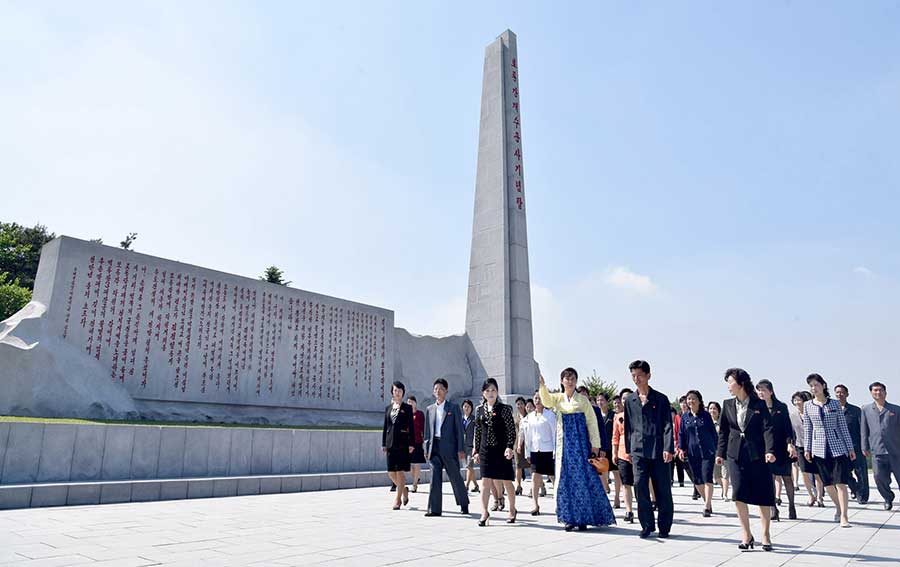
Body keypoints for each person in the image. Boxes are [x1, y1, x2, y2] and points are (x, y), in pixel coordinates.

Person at [540, 368, 616, 531]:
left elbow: (592, 423)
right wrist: (542, 386)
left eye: (572, 378)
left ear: (576, 381)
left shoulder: (582, 400)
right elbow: (546, 401)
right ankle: (569, 518)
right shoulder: (558, 399)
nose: (569, 381)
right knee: (565, 481)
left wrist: (595, 444)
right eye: (566, 378)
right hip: (564, 447)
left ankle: (583, 518)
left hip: (581, 446)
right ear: (561, 381)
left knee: (583, 480)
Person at [716, 368, 776, 551]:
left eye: (730, 382)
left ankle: (765, 535)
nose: (728, 386)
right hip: (735, 455)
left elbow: (768, 428)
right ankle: (746, 534)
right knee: (738, 493)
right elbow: (724, 432)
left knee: (763, 494)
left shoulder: (759, 404)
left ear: (741, 383)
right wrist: (720, 453)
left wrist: (770, 450)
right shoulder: (726, 405)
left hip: (758, 455)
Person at [623, 360, 674, 539]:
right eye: (633, 375)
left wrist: (669, 448)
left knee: (663, 489)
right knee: (640, 486)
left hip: (659, 451)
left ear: (648, 376)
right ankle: (646, 525)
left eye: (639, 375)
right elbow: (628, 426)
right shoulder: (630, 400)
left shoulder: (661, 399)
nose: (636, 379)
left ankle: (664, 526)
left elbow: (668, 425)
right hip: (638, 451)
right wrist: (628, 449)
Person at [803, 373, 855, 527]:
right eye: (811, 386)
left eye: (816, 385)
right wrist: (807, 448)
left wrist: (850, 447)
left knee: (841, 483)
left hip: (838, 448)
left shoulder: (834, 404)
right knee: (828, 484)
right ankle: (838, 508)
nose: (814, 388)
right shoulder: (808, 405)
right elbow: (808, 428)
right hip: (819, 449)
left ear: (823, 386)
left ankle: (844, 516)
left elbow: (843, 427)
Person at [473, 378, 517, 526]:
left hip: (502, 450)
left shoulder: (504, 409)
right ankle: (484, 512)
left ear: (497, 391)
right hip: (486, 451)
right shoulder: (479, 410)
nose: (490, 393)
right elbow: (478, 432)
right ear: (483, 393)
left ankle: (512, 509)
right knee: (485, 482)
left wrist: (510, 446)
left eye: (493, 390)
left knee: (506, 481)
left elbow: (511, 430)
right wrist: (476, 450)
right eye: (487, 390)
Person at [423, 377, 470, 517]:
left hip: (449, 449)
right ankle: (434, 509)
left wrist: (461, 449)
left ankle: (464, 504)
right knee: (434, 479)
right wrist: (426, 449)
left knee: (455, 477)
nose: (438, 391)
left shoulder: (453, 408)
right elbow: (427, 432)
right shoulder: (429, 409)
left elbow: (459, 431)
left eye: (441, 389)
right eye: (436, 389)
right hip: (434, 448)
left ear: (446, 391)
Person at [756, 379, 797, 520]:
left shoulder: (781, 407)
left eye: (764, 390)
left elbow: (788, 428)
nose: (761, 393)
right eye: (759, 390)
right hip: (766, 449)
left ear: (771, 392)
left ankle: (792, 505)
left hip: (781, 447)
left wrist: (790, 443)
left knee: (787, 477)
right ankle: (773, 508)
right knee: (770, 478)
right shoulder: (756, 408)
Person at [861, 381, 900, 511]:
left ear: (885, 392)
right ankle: (888, 497)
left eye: (880, 390)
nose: (878, 392)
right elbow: (864, 430)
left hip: (895, 450)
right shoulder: (866, 409)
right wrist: (864, 446)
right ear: (871, 393)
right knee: (878, 477)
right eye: (875, 390)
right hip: (877, 450)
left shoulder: (895, 409)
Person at [678, 390, 717, 517]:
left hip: (707, 452)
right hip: (692, 453)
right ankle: (708, 501)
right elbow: (681, 434)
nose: (690, 401)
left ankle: (706, 506)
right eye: (688, 399)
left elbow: (713, 433)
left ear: (699, 401)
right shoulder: (685, 417)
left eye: (693, 398)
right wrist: (681, 449)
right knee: (697, 480)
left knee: (707, 477)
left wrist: (717, 450)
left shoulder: (705, 415)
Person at [519, 390, 556, 515]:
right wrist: (527, 453)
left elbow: (555, 434)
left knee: (553, 478)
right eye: (535, 398)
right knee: (535, 477)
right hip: (535, 451)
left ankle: (558, 503)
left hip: (548, 450)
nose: (537, 400)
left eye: (540, 398)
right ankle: (535, 505)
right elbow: (527, 436)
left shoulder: (550, 415)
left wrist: (556, 451)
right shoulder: (529, 417)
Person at [382, 381, 415, 510]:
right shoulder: (388, 408)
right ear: (392, 392)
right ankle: (404, 490)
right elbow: (386, 427)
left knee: (400, 471)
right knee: (390, 472)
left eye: (400, 391)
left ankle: (397, 499)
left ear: (403, 393)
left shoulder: (407, 408)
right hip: (390, 443)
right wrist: (384, 443)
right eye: (395, 390)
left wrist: (412, 443)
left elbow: (411, 427)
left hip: (403, 444)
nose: (397, 392)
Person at [835, 384, 868, 505]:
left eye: (842, 392)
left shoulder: (855, 410)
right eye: (837, 393)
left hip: (856, 446)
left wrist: (865, 445)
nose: (839, 395)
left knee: (861, 473)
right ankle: (855, 488)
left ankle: (862, 496)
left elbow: (862, 429)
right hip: (840, 448)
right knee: (844, 473)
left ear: (847, 394)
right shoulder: (832, 410)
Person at [792, 390, 824, 507]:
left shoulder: (812, 413)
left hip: (814, 446)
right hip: (800, 446)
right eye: (795, 400)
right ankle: (811, 495)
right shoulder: (793, 415)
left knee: (817, 473)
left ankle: (820, 496)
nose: (797, 402)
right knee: (804, 472)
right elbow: (792, 432)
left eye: (799, 400)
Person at [612, 388, 635, 522]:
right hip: (622, 453)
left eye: (628, 398)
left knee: (639, 483)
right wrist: (614, 452)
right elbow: (615, 436)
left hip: (638, 453)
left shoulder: (639, 415)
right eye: (623, 399)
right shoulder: (618, 417)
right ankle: (629, 510)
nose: (625, 401)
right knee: (626, 483)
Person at [707, 401, 730, 501]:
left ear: (719, 411)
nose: (712, 410)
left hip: (724, 451)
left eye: (714, 408)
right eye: (710, 408)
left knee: (725, 473)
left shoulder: (723, 422)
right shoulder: (706, 422)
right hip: (712, 452)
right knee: (716, 476)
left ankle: (725, 494)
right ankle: (723, 488)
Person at [408, 395, 426, 493]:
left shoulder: (420, 414)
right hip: (408, 443)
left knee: (417, 463)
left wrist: (424, 442)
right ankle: (416, 477)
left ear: (415, 403)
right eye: (408, 402)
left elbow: (423, 428)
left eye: (411, 401)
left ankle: (414, 485)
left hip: (418, 442)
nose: (410, 403)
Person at [513, 396, 530, 496]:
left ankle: (539, 486)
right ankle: (518, 486)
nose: (519, 406)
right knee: (518, 466)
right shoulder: (514, 417)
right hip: (517, 445)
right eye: (518, 404)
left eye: (521, 404)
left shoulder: (529, 416)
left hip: (528, 444)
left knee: (530, 466)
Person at [462, 399, 479, 493]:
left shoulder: (474, 419)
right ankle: (476, 485)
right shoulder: (461, 419)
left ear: (471, 408)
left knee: (469, 466)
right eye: (465, 406)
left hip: (471, 446)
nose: (466, 408)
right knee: (469, 467)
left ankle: (466, 486)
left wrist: (475, 446)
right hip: (463, 446)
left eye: (468, 406)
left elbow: (477, 433)